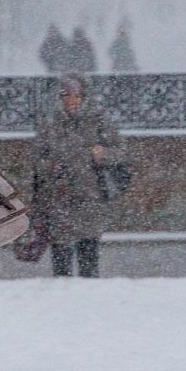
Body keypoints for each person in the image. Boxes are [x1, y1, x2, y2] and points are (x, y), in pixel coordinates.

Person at [31, 73, 125, 277]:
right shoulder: (50, 124)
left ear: (85, 97)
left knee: (88, 249)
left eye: (76, 96)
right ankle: (63, 293)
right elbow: (36, 159)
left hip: (90, 196)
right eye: (66, 95)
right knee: (61, 250)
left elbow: (120, 151)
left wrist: (104, 154)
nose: (71, 101)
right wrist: (49, 166)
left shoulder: (98, 121)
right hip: (59, 196)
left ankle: (88, 294)